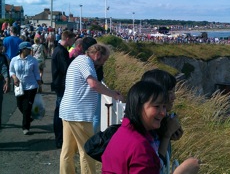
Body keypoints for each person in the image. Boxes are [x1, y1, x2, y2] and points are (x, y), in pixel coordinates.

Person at [59, 41, 123, 174]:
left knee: (68, 151)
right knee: (87, 150)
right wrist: (113, 94)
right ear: (97, 54)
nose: (103, 63)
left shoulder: (79, 60)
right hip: (79, 113)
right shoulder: (85, 61)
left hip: (69, 111)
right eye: (104, 59)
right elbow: (93, 84)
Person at [101, 81, 169, 174]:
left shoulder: (124, 132)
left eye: (164, 106)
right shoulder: (139, 147)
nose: (163, 113)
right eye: (157, 106)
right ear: (138, 107)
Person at [141, 69, 200, 174]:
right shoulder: (145, 128)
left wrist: (170, 132)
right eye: (170, 92)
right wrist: (166, 135)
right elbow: (156, 166)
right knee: (194, 164)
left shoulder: (151, 119)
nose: (174, 97)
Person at [9, 41, 42, 135]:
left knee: (27, 107)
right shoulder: (14, 60)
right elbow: (11, 71)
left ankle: (25, 127)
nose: (30, 50)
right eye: (28, 49)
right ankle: (28, 118)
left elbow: (36, 73)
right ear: (22, 50)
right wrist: (14, 77)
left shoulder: (33, 60)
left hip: (31, 86)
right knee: (20, 105)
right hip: (19, 86)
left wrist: (39, 84)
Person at [51, 30, 76, 149]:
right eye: (72, 40)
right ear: (67, 39)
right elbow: (65, 68)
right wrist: (74, 59)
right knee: (60, 113)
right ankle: (59, 139)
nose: (73, 42)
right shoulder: (61, 52)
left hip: (58, 83)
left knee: (59, 111)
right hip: (60, 84)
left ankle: (60, 138)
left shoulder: (59, 50)